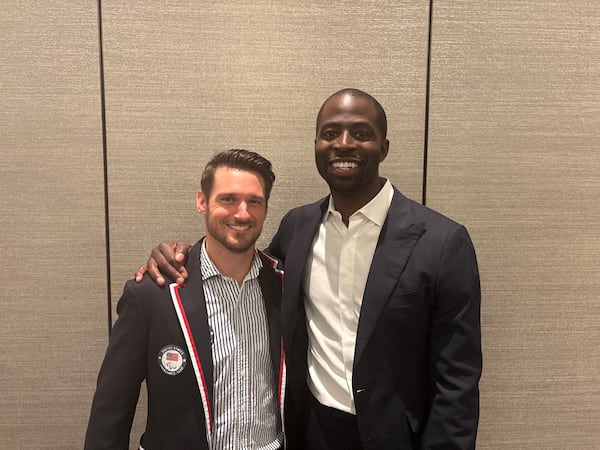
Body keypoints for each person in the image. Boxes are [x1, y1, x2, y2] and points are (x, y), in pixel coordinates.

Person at [138, 89, 482, 449]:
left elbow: (457, 380)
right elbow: (242, 271)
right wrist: (179, 255)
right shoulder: (298, 227)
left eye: (361, 133)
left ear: (384, 148)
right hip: (309, 431)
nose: (343, 144)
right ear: (317, 144)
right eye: (330, 133)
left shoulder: (442, 243)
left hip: (398, 438)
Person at [85, 149, 287, 450]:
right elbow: (111, 410)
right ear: (202, 202)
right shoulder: (151, 294)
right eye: (228, 199)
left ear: (266, 208)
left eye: (254, 201)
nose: (242, 213)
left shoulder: (285, 285)